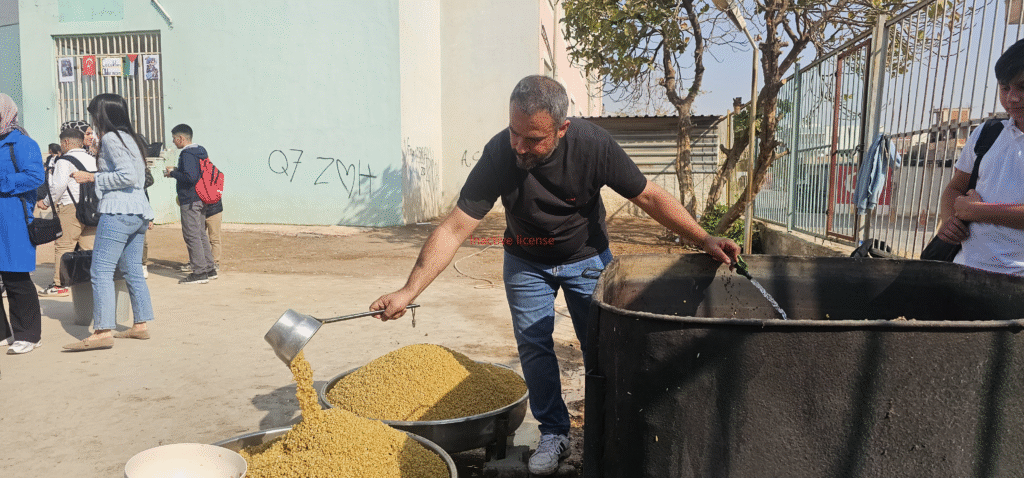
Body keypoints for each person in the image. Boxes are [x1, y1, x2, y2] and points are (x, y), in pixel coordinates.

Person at [369, 76, 741, 475]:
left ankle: (609, 427)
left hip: (587, 257)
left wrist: (704, 238)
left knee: (601, 346)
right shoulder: (499, 152)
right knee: (534, 345)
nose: (519, 146)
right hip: (525, 261)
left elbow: (648, 195)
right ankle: (554, 433)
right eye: (514, 132)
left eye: (533, 139)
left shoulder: (593, 145)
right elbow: (455, 228)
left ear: (562, 128)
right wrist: (408, 291)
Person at [63, 93, 155, 351]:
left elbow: (126, 176)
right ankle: (140, 325)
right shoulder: (131, 138)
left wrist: (93, 177)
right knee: (133, 270)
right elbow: (134, 175)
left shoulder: (112, 138)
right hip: (138, 212)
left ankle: (103, 330)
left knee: (101, 270)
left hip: (118, 211)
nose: (93, 120)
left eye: (94, 114)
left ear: (102, 114)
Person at [937, 39, 1024, 276]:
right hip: (964, 269)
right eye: (1005, 88)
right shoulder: (987, 133)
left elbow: (970, 208)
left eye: (1022, 87)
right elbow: (955, 188)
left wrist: (976, 211)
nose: (1012, 98)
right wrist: (949, 221)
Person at [0, 93, 45, 355]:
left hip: (13, 220)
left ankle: (29, 335)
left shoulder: (22, 143)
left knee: (16, 278)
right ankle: (3, 333)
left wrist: (3, 182)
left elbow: (35, 176)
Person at [37, 128, 98, 296]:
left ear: (66, 142)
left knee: (64, 246)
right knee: (89, 247)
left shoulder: (64, 161)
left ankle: (59, 285)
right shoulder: (92, 158)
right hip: (93, 208)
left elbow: (58, 186)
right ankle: (88, 283)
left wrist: (46, 202)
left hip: (71, 208)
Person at [166, 123, 217, 284]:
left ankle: (199, 272)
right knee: (200, 233)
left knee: (192, 235)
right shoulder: (200, 151)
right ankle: (209, 269)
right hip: (201, 198)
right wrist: (177, 171)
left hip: (190, 199)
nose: (173, 142)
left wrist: (173, 173)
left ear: (181, 138)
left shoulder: (187, 154)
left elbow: (190, 177)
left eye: (174, 138)